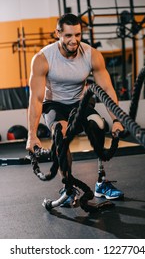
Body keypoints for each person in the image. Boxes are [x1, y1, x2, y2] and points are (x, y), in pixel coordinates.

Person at [26, 13, 124, 206]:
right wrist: (32, 134)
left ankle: (101, 182)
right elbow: (36, 98)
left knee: (97, 124)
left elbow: (107, 90)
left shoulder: (91, 55)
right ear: (58, 34)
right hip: (54, 104)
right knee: (61, 135)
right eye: (68, 35)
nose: (74, 40)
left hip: (80, 103)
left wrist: (117, 119)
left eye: (78, 35)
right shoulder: (43, 58)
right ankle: (68, 187)